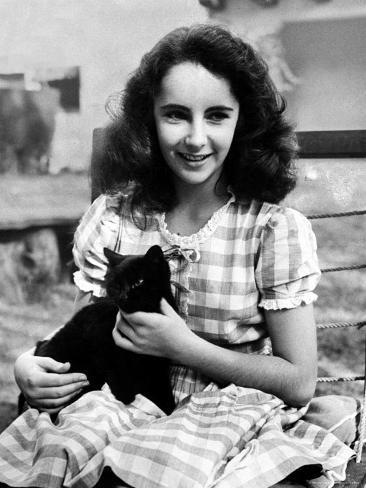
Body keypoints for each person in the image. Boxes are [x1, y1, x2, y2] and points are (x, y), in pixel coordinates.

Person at [3, 24, 359, 488]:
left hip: (223, 420)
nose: (195, 138)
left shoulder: (271, 229)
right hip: (118, 405)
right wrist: (28, 363)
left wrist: (183, 348)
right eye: (175, 115)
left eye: (216, 116)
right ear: (147, 119)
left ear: (243, 121)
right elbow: (86, 329)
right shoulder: (115, 218)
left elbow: (298, 381)